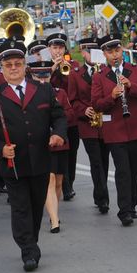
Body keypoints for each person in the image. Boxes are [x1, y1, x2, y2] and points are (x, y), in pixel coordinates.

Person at [0, 38, 67, 272]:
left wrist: (58, 134)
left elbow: (59, 117)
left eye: (18, 63)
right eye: (8, 65)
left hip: (40, 160)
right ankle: (27, 249)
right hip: (13, 164)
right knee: (20, 208)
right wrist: (1, 149)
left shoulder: (44, 90)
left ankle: (32, 240)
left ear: (25, 66)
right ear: (2, 68)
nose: (14, 68)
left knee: (36, 205)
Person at [91, 34, 137, 226]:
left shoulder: (135, 70)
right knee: (122, 170)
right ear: (104, 54)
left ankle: (132, 205)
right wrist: (111, 96)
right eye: (110, 52)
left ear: (122, 51)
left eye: (117, 51)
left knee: (135, 167)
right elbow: (96, 105)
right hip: (115, 130)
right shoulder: (99, 76)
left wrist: (132, 86)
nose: (115, 55)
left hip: (136, 127)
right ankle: (124, 210)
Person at [27, 56, 72, 233]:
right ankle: (54, 220)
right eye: (39, 77)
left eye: (46, 76)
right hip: (41, 145)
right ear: (32, 77)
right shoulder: (29, 96)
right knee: (50, 180)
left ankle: (54, 211)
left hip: (59, 143)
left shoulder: (59, 93)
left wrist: (58, 130)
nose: (43, 80)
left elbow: (69, 115)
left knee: (59, 182)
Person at [68, 37, 110, 214]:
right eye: (88, 52)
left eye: (95, 51)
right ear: (83, 53)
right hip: (88, 125)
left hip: (107, 123)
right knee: (96, 162)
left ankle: (98, 193)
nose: (92, 55)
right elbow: (72, 99)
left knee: (105, 161)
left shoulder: (107, 71)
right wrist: (84, 110)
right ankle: (103, 199)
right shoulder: (75, 73)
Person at [47, 33, 80, 201]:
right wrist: (52, 68)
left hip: (70, 117)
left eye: (60, 48)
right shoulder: (44, 67)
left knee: (71, 154)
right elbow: (41, 85)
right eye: (55, 48)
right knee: (57, 156)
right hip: (52, 119)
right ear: (49, 50)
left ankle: (69, 183)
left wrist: (67, 70)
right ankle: (64, 187)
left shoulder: (72, 66)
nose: (58, 51)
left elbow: (76, 89)